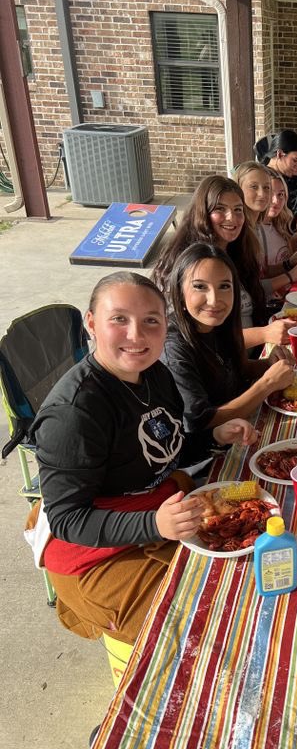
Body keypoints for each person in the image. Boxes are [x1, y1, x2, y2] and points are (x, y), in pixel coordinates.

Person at [30, 272, 258, 645]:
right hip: (95, 554)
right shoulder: (73, 414)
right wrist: (156, 524)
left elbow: (166, 450)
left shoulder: (154, 374)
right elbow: (68, 520)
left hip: (155, 507)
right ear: (91, 323)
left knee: (244, 572)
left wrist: (213, 437)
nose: (136, 335)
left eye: (151, 320)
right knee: (199, 625)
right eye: (119, 319)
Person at [153, 175, 294, 353]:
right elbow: (197, 342)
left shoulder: (238, 249)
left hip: (249, 360)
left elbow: (254, 291)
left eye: (238, 210)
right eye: (220, 209)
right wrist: (264, 334)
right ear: (202, 213)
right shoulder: (189, 263)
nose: (232, 218)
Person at [162, 243, 294, 431]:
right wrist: (268, 383)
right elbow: (201, 422)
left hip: (246, 425)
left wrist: (268, 365)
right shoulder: (173, 350)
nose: (214, 300)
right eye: (200, 287)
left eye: (224, 286)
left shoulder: (221, 323)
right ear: (180, 293)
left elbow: (238, 370)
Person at [233, 161, 297, 296]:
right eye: (254, 187)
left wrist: (290, 262)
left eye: (266, 188)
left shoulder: (258, 227)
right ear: (238, 190)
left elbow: (263, 271)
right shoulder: (237, 233)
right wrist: (290, 275)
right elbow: (250, 290)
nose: (263, 194)